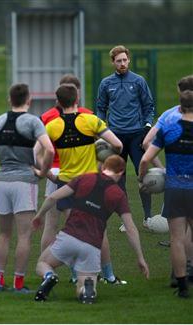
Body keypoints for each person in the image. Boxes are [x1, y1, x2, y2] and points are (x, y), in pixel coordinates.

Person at [32, 155, 149, 304]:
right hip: (92, 246)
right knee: (84, 284)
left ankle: (49, 276)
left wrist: (39, 215)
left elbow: (52, 198)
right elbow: (130, 228)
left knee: (43, 263)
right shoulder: (119, 194)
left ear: (103, 167)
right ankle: (86, 289)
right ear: (120, 173)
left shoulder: (85, 178)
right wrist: (140, 257)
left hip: (69, 237)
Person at [45, 83, 126, 285]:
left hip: (66, 184)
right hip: (92, 183)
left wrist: (48, 174)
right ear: (77, 100)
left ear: (58, 102)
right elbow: (117, 144)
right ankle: (108, 276)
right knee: (100, 231)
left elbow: (40, 154)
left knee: (73, 231)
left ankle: (75, 276)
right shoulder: (91, 120)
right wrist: (102, 161)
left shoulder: (52, 126)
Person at [0, 83, 54, 293]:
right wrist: (43, 172)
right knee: (25, 235)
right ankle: (18, 283)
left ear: (10, 100)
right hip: (24, 181)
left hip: (3, 182)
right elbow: (49, 149)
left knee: (4, 234)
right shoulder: (33, 121)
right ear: (28, 100)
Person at [139, 90, 193, 299]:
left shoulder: (169, 128)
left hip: (175, 188)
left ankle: (181, 287)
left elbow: (145, 158)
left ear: (179, 107)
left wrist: (142, 179)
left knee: (176, 238)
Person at [96, 45, 155, 226]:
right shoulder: (106, 83)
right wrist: (102, 129)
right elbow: (100, 108)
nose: (122, 63)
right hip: (116, 139)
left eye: (124, 60)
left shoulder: (138, 81)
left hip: (137, 136)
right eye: (118, 60)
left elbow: (149, 106)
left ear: (128, 60)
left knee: (142, 175)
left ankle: (147, 217)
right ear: (113, 62)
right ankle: (125, 218)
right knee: (118, 178)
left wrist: (147, 125)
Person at [40, 74, 93, 252]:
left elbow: (37, 151)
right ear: (77, 95)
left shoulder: (47, 117)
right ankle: (95, 271)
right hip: (82, 174)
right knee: (88, 224)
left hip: (56, 173)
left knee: (51, 224)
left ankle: (45, 270)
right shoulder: (88, 116)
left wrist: (46, 173)